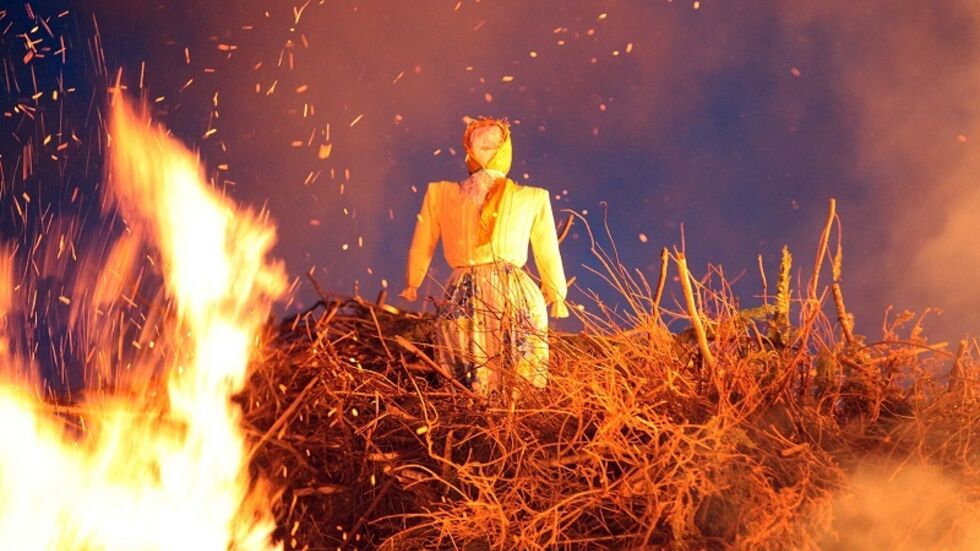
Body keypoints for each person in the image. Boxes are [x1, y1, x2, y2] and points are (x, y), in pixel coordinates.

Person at [400, 117, 569, 395]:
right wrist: (413, 279)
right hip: (468, 294)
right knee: (466, 367)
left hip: (509, 293)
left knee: (515, 366)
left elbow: (547, 247)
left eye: (493, 146)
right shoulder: (441, 193)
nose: (487, 150)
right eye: (482, 145)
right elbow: (423, 240)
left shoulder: (533, 197)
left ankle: (511, 414)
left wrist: (556, 291)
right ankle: (476, 411)